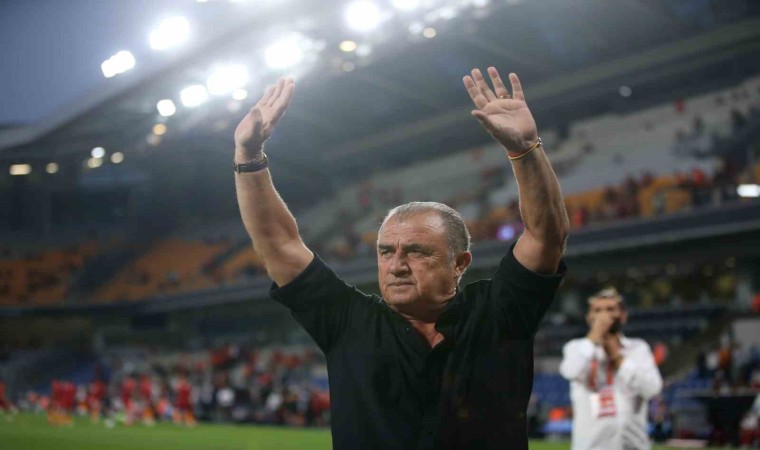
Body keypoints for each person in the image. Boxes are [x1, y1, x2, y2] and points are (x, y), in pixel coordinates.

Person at [233, 68, 569, 449]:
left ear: (459, 263)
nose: (396, 266)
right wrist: (249, 156)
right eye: (385, 252)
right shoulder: (348, 322)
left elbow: (546, 236)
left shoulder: (498, 312)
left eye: (416, 251)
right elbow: (279, 244)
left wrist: (525, 150)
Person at [559, 288, 663, 450]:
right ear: (589, 317)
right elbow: (571, 371)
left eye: (610, 309)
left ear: (623, 316)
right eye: (597, 310)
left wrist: (617, 358)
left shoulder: (638, 348)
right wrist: (593, 337)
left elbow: (652, 389)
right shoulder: (576, 347)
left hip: (633, 445)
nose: (603, 316)